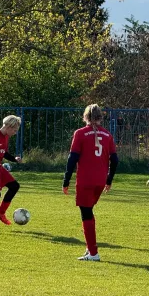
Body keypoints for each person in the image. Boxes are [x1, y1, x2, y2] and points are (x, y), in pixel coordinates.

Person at [63, 104, 118, 261]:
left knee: (86, 214)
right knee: (89, 212)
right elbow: (115, 160)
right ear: (100, 117)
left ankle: (93, 253)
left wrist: (66, 180)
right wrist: (109, 179)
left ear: (85, 117)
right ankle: (90, 248)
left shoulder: (80, 133)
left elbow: (72, 158)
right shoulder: (107, 135)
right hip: (100, 181)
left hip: (85, 180)